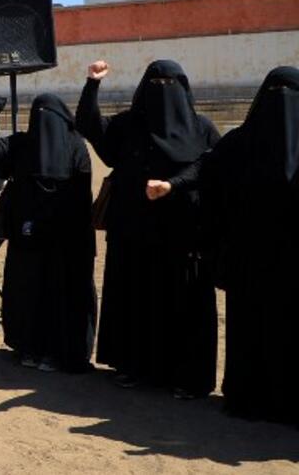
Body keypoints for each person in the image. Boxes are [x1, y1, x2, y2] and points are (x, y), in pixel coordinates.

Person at [77, 59, 218, 398]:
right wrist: (92, 85)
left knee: (180, 302)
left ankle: (183, 376)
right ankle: (133, 366)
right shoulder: (129, 125)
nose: (162, 92)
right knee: (133, 300)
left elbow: (211, 164)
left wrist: (173, 185)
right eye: (154, 83)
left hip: (181, 235)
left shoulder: (201, 128)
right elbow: (89, 125)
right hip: (132, 233)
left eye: (169, 83)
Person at [201, 66, 299, 421]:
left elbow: (209, 198)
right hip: (285, 263)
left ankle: (246, 396)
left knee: (248, 330)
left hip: (246, 260)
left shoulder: (235, 145)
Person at [0, 93, 97, 372]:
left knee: (59, 295)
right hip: (27, 238)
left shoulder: (76, 147)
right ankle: (28, 347)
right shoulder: (23, 144)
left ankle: (57, 353)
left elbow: (80, 198)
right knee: (26, 294)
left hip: (63, 242)